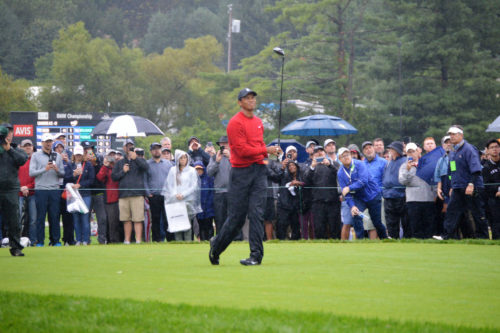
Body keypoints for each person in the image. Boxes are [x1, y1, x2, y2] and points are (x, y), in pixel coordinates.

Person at [209, 88, 281, 266]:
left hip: (258, 171)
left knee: (257, 213)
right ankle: (216, 246)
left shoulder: (258, 122)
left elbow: (258, 145)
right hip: (241, 173)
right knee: (237, 218)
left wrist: (269, 153)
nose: (251, 101)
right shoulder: (234, 123)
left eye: (253, 98)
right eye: (247, 98)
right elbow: (241, 150)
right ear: (240, 102)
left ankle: (256, 256)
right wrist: (266, 150)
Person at [440, 126, 489, 240]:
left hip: (472, 186)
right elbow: (452, 170)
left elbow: (476, 169)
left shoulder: (469, 149)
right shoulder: (452, 151)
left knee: (477, 213)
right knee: (452, 211)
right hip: (458, 187)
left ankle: (483, 237)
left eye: (454, 134)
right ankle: (447, 236)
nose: (451, 136)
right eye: (450, 134)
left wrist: (471, 184)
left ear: (461, 135)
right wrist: (452, 185)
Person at [337, 147, 388, 239]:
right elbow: (346, 194)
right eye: (343, 156)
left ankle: (385, 238)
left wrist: (349, 187)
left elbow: (363, 181)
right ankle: (360, 241)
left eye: (347, 155)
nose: (346, 157)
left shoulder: (360, 164)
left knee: (376, 222)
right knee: (355, 215)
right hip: (359, 198)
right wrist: (352, 206)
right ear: (339, 159)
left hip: (373, 195)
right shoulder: (340, 173)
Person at [30, 133, 65, 246]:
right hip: (41, 189)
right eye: (46, 141)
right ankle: (40, 241)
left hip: (54, 189)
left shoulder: (58, 156)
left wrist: (57, 170)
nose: (49, 143)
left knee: (54, 216)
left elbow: (63, 174)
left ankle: (55, 241)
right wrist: (44, 169)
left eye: (50, 141)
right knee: (40, 217)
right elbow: (31, 173)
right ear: (42, 143)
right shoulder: (35, 155)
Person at [111, 139, 149, 244]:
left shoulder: (139, 159)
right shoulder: (119, 163)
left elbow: (146, 167)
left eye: (131, 146)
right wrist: (123, 171)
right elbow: (114, 177)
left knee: (137, 219)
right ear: (124, 148)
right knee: (125, 219)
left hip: (137, 194)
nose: (129, 148)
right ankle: (127, 240)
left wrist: (136, 158)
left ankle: (138, 240)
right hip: (123, 195)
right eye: (127, 146)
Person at [0, 125, 28, 256]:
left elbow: (22, 160)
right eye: (6, 132)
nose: (8, 134)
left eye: (10, 132)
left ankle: (16, 247)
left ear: (12, 135)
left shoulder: (16, 149)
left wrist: (9, 149)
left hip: (10, 189)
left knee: (13, 220)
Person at [398, 143, 436, 238]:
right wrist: (408, 170)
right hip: (413, 200)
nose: (411, 154)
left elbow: (434, 180)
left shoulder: (427, 164)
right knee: (415, 226)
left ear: (418, 151)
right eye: (409, 152)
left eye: (413, 151)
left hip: (428, 199)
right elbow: (403, 181)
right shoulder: (404, 166)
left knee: (428, 226)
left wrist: (435, 194)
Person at [162, 150, 201, 241]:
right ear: (177, 159)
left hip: (188, 201)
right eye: (181, 158)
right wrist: (175, 194)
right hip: (175, 201)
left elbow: (194, 186)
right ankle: (178, 242)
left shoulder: (192, 170)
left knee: (187, 225)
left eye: (185, 158)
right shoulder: (172, 170)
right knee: (177, 224)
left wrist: (183, 194)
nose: (183, 160)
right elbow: (169, 185)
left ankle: (188, 243)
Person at [304, 146, 341, 239]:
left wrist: (329, 165)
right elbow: (306, 181)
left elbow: (339, 175)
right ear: (313, 155)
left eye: (321, 151)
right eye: (317, 152)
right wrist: (312, 167)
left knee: (334, 228)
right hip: (318, 202)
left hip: (333, 201)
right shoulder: (311, 167)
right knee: (319, 228)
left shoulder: (334, 164)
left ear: (325, 153)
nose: (319, 153)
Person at [206, 136, 235, 237]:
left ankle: (235, 240)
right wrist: (217, 162)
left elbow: (240, 172)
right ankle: (220, 240)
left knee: (233, 218)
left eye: (226, 144)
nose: (223, 146)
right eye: (221, 144)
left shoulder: (236, 157)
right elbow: (209, 173)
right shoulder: (214, 157)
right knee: (220, 219)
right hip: (219, 193)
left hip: (233, 193)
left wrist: (231, 158)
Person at [66, 145, 95, 245]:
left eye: (80, 154)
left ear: (83, 154)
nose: (78, 156)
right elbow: (66, 179)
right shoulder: (70, 165)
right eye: (77, 154)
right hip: (73, 196)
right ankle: (78, 239)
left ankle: (86, 240)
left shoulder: (88, 165)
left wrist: (80, 184)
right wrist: (73, 175)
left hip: (85, 194)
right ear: (74, 154)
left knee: (85, 217)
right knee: (76, 218)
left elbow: (91, 180)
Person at [145, 142, 173, 242]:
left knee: (168, 219)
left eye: (158, 148)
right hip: (154, 195)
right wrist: (148, 193)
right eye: (154, 149)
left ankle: (170, 239)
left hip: (166, 195)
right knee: (156, 219)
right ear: (151, 151)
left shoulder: (168, 164)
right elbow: (145, 180)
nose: (157, 150)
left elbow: (172, 179)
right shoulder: (147, 164)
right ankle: (157, 240)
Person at [269, 160, 303, 240]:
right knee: (281, 226)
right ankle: (281, 242)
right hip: (283, 205)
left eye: (293, 165)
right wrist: (282, 168)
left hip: (296, 206)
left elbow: (307, 183)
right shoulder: (284, 175)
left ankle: (296, 243)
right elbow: (275, 178)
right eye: (289, 166)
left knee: (295, 226)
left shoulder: (301, 176)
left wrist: (299, 183)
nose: (292, 167)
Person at [82, 141, 108, 244]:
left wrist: (95, 163)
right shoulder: (81, 163)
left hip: (99, 193)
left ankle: (102, 240)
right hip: (86, 194)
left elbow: (100, 177)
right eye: (86, 149)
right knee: (85, 219)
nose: (89, 151)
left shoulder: (99, 160)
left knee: (102, 218)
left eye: (90, 149)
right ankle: (86, 240)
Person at [382, 141, 409, 239]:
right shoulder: (389, 162)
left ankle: (407, 240)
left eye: (392, 149)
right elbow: (385, 177)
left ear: (397, 151)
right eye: (390, 149)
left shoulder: (404, 160)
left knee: (405, 221)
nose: (390, 151)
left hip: (401, 195)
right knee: (390, 221)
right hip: (388, 196)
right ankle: (393, 239)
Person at [362, 141, 388, 239]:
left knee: (381, 223)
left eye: (370, 147)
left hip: (379, 197)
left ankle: (384, 243)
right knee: (370, 225)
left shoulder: (383, 162)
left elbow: (386, 180)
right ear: (363, 152)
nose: (368, 150)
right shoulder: (361, 164)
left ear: (374, 149)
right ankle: (373, 246)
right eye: (366, 149)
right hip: (366, 198)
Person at [96, 150, 123, 243]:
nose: (112, 157)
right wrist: (105, 165)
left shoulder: (119, 166)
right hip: (110, 199)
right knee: (111, 222)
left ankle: (118, 239)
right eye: (110, 155)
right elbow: (99, 177)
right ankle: (112, 240)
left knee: (118, 221)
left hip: (121, 197)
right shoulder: (105, 168)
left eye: (113, 155)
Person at [54, 140, 75, 246]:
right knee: (55, 217)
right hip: (55, 192)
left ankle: (69, 239)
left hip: (66, 193)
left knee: (68, 218)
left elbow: (71, 177)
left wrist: (68, 163)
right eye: (57, 147)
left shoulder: (68, 163)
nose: (59, 149)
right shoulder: (52, 160)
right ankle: (55, 240)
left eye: (61, 147)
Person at [18, 139, 37, 245]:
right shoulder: (17, 160)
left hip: (32, 193)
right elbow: (14, 176)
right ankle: (17, 241)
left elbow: (37, 178)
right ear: (21, 147)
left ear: (32, 147)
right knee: (18, 219)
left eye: (29, 145)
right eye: (25, 146)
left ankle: (33, 241)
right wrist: (22, 187)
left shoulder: (35, 160)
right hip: (19, 193)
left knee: (33, 219)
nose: (27, 147)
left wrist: (28, 187)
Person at [481, 139, 500, 240]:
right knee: (496, 222)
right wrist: (497, 190)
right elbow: (486, 184)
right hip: (494, 199)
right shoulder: (486, 167)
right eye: (492, 148)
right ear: (487, 150)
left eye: (496, 147)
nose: (495, 149)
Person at [194, 161, 215, 241]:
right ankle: (203, 241)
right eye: (196, 169)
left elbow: (212, 192)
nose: (198, 171)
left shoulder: (209, 178)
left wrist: (208, 204)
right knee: (201, 226)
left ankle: (211, 240)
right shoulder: (193, 180)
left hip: (209, 208)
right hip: (198, 209)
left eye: (200, 169)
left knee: (209, 225)